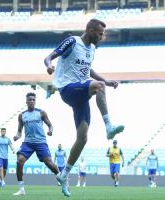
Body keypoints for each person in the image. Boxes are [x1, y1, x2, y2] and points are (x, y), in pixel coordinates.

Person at [44, 18, 125, 197]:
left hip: (80, 92)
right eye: (99, 33)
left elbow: (88, 71)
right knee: (98, 86)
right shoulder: (73, 41)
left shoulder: (93, 49)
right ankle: (109, 126)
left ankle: (63, 175)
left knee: (82, 138)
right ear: (89, 30)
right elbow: (49, 57)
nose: (102, 37)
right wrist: (49, 65)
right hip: (67, 88)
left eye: (103, 34)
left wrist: (106, 81)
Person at [12, 92, 61, 196]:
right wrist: (17, 136)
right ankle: (21, 189)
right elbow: (20, 130)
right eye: (30, 100)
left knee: (49, 163)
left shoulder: (41, 112)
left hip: (40, 142)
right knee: (19, 161)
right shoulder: (22, 115)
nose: (32, 101)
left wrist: (50, 131)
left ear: (35, 101)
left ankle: (61, 178)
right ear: (26, 101)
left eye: (33, 100)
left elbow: (50, 125)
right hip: (28, 143)